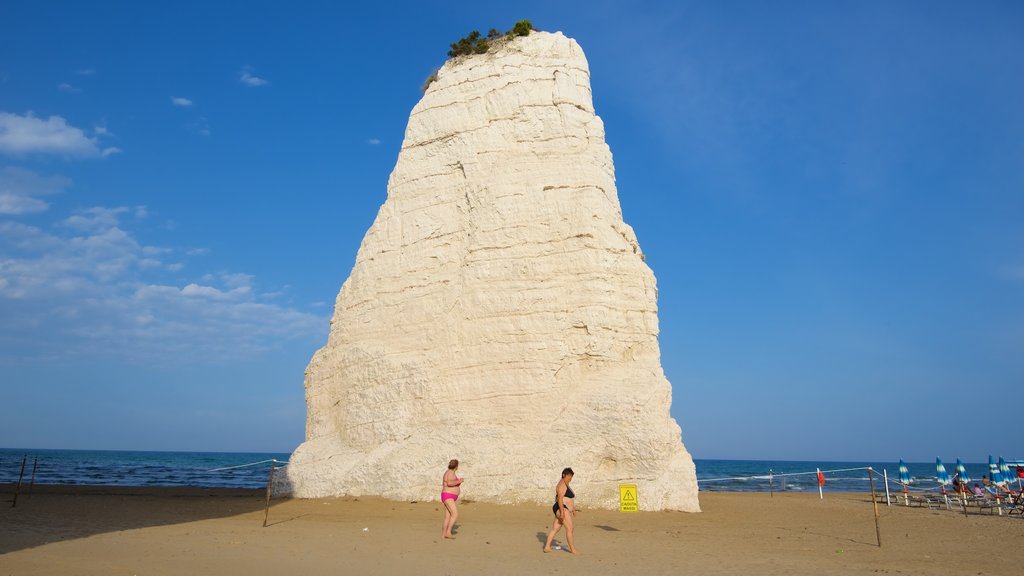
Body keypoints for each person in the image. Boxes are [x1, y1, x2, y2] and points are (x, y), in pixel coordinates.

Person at [543, 467, 578, 555]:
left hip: (561, 508)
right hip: (561, 508)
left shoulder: (565, 484)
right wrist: (562, 511)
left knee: (555, 528)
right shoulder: (562, 484)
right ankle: (573, 550)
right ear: (564, 475)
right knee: (570, 528)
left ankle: (547, 547)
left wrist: (573, 509)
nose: (570, 478)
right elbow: (560, 498)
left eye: (571, 476)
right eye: (569, 475)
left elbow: (568, 498)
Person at [440, 459, 463, 540]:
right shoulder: (451, 472)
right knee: (455, 514)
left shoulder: (448, 472)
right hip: (448, 495)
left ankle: (443, 534)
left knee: (448, 516)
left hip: (448, 495)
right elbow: (449, 483)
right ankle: (448, 532)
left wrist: (458, 482)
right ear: (456, 466)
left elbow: (450, 482)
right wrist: (459, 481)